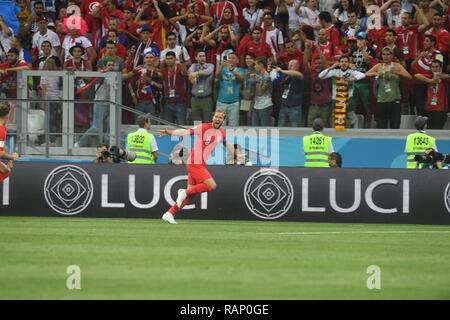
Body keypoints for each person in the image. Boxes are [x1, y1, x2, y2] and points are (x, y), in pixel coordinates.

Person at [158, 109, 235, 224]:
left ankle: (169, 213)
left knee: (191, 195)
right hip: (195, 163)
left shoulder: (222, 133)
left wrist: (236, 153)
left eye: (220, 117)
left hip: (201, 164)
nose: (218, 119)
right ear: (212, 117)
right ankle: (183, 192)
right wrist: (169, 132)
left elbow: (226, 143)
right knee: (212, 186)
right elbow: (185, 132)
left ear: (223, 121)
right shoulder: (203, 127)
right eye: (216, 116)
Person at [365, 46, 412, 129]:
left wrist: (397, 72)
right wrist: (374, 74)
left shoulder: (397, 66)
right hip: (382, 99)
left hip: (394, 99)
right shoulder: (379, 66)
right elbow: (365, 74)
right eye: (383, 54)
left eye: (388, 54)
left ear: (392, 56)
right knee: (381, 125)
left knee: (395, 124)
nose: (385, 56)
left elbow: (409, 77)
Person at [318, 56, 366, 129]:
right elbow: (320, 76)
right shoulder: (335, 72)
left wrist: (353, 78)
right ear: (339, 63)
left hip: (348, 98)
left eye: (346, 62)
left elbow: (363, 75)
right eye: (342, 62)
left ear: (348, 63)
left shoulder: (351, 72)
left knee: (350, 116)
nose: (344, 63)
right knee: (336, 117)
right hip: (336, 99)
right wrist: (331, 67)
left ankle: (354, 131)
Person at [414, 60, 450, 129]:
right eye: (433, 67)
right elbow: (416, 75)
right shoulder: (430, 76)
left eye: (437, 67)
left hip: (441, 110)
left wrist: (446, 76)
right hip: (429, 109)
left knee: (438, 130)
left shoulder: (444, 78)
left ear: (440, 68)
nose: (435, 69)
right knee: (429, 130)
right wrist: (429, 80)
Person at [215, 52, 244, 126]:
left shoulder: (240, 70)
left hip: (234, 103)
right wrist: (221, 65)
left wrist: (231, 68)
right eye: (229, 58)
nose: (231, 59)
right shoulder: (223, 69)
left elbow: (241, 77)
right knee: (220, 126)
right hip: (221, 102)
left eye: (233, 58)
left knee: (233, 127)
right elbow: (216, 75)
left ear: (237, 60)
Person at [275, 60, 304, 127]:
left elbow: (298, 74)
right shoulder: (286, 76)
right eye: (288, 65)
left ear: (297, 67)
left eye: (291, 65)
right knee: (281, 128)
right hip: (284, 106)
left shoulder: (299, 76)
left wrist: (282, 71)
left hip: (294, 108)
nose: (289, 67)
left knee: (294, 130)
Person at [188, 50, 215, 123]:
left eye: (204, 56)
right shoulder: (193, 66)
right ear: (196, 58)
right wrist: (192, 77)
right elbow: (190, 75)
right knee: (196, 123)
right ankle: (198, 135)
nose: (202, 58)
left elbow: (207, 72)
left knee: (208, 122)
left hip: (206, 98)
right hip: (195, 98)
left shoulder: (210, 65)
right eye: (200, 56)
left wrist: (196, 73)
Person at [0, 102, 20, 182]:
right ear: (7, 115)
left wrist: (9, 160)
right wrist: (12, 157)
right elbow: (0, 153)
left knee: (6, 171)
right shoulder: (1, 130)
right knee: (6, 171)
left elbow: (2, 147)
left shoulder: (3, 128)